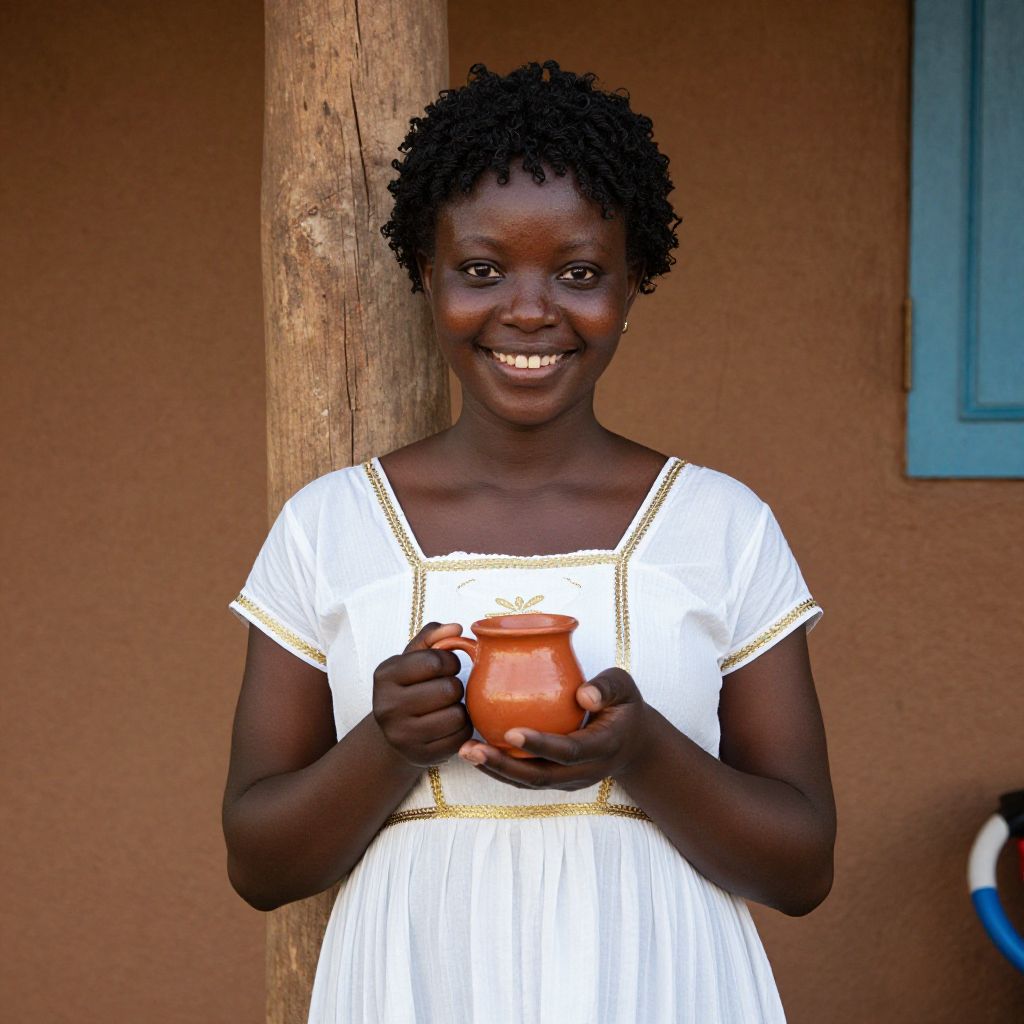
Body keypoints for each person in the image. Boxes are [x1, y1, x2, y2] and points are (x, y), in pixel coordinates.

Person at [223, 61, 835, 1024]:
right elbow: (259, 866)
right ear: (425, 274)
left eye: (579, 273)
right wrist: (387, 745)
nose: (529, 310)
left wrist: (643, 751)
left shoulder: (722, 525)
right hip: (417, 988)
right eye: (481, 270)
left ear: (634, 281)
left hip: (660, 990)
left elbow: (801, 867)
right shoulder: (328, 526)